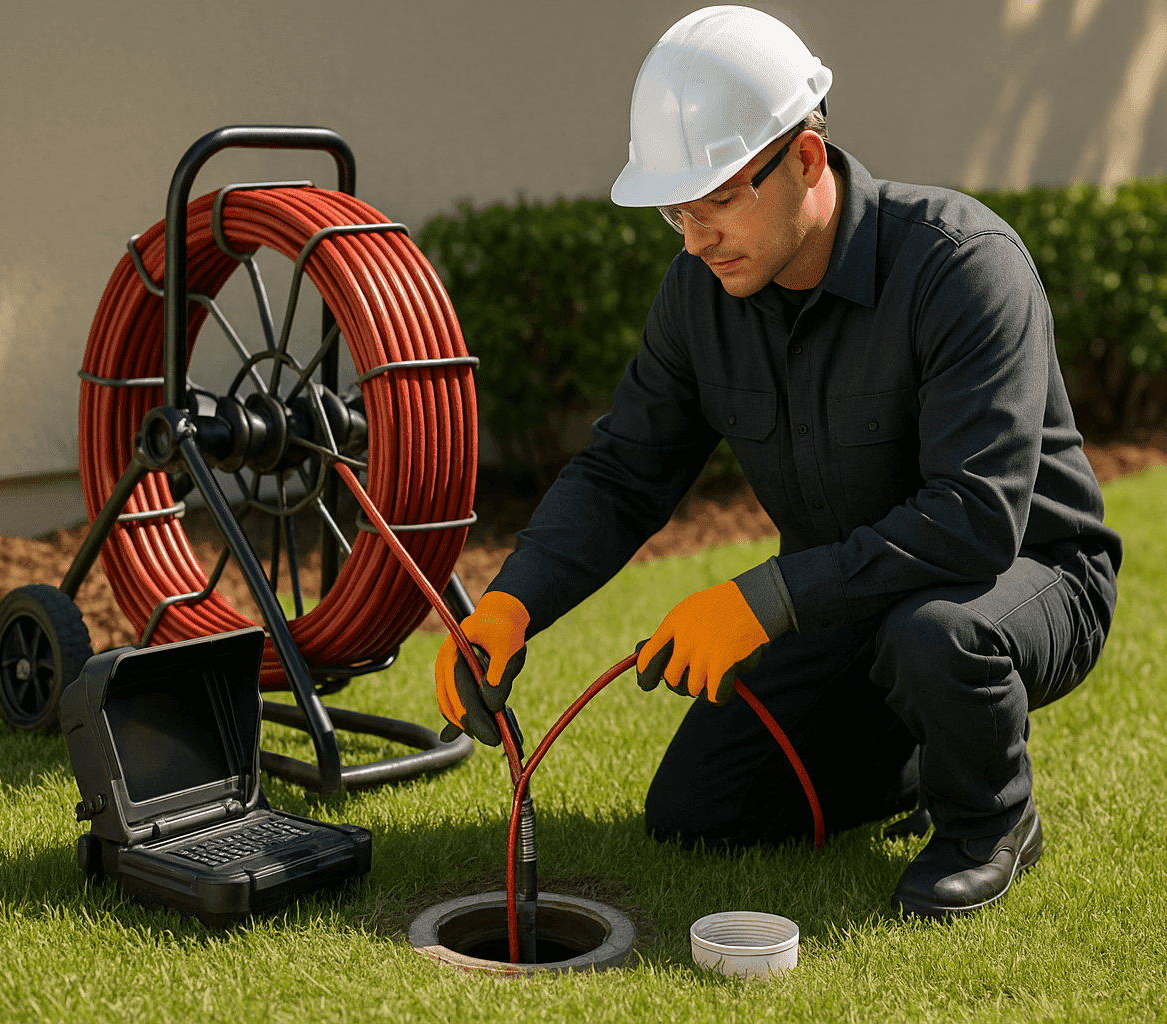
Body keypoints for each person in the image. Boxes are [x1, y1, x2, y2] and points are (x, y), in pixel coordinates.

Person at [435, 5, 1121, 919]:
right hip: (850, 598)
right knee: (699, 813)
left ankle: (988, 820)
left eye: (718, 199)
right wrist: (513, 604)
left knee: (933, 636)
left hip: (1021, 579)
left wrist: (763, 602)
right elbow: (624, 471)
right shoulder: (702, 293)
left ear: (804, 159)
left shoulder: (962, 265)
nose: (695, 236)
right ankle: (923, 747)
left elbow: (975, 520)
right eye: (677, 210)